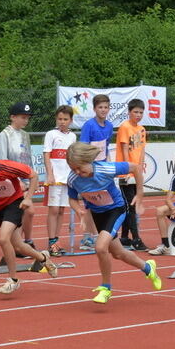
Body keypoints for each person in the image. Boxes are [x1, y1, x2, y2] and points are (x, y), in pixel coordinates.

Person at [66, 142, 161, 304]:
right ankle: (148, 268)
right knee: (118, 253)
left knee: (100, 247)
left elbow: (136, 168)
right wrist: (80, 211)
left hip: (116, 209)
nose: (77, 172)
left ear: (89, 160)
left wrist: (139, 193)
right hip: (97, 214)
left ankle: (106, 288)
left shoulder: (106, 169)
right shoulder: (73, 179)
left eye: (80, 168)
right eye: (72, 168)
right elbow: (72, 199)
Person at [0, 140, 57, 295]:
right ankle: (43, 258)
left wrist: (28, 198)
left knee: (3, 239)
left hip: (15, 204)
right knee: (18, 245)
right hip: (0, 209)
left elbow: (34, 176)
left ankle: (13, 280)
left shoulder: (8, 167)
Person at [0, 101, 36, 251]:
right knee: (27, 210)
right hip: (13, 181)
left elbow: (28, 158)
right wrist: (17, 181)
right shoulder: (4, 135)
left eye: (27, 117)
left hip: (26, 179)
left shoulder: (26, 135)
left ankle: (25, 241)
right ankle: (22, 243)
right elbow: (2, 161)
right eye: (22, 117)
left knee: (28, 212)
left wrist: (33, 178)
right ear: (13, 117)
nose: (25, 120)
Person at [78, 94, 114, 250]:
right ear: (94, 109)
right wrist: (87, 168)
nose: (103, 110)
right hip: (90, 168)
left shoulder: (110, 126)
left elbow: (106, 147)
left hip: (103, 167)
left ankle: (99, 234)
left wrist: (109, 165)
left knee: (102, 202)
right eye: (100, 107)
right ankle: (87, 237)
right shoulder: (89, 126)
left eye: (106, 107)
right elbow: (83, 149)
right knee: (90, 203)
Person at [43, 105, 77, 256]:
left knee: (62, 210)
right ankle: (51, 242)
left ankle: (57, 240)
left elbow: (72, 157)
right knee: (54, 209)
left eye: (65, 119)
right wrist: (50, 174)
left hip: (67, 179)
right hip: (55, 178)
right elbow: (47, 155)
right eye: (60, 119)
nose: (62, 122)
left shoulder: (72, 137)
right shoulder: (51, 134)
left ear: (71, 120)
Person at [115, 98, 148, 251]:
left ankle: (124, 237)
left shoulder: (142, 129)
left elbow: (141, 150)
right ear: (129, 112)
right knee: (130, 206)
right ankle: (136, 238)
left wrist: (139, 169)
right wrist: (128, 169)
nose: (138, 115)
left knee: (130, 205)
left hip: (136, 173)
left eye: (141, 112)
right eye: (135, 112)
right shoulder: (125, 127)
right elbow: (124, 148)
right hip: (125, 172)